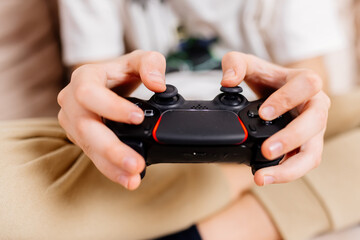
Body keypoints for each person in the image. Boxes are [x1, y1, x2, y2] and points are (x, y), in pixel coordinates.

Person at [1, 0, 360, 239]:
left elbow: (309, 85)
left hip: (261, 132)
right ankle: (225, 200)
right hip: (140, 144)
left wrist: (299, 105)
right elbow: (93, 90)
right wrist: (91, 97)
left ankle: (221, 223)